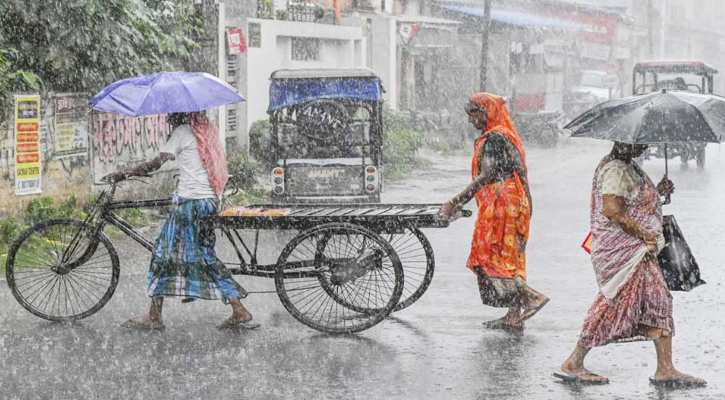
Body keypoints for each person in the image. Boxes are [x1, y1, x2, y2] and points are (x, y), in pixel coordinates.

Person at [555, 142, 705, 387]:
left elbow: (632, 203)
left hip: (640, 252)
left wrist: (656, 193)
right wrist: (645, 233)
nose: (644, 147)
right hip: (626, 251)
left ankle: (665, 368)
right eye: (639, 143)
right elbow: (614, 211)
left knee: (658, 300)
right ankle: (574, 361)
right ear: (622, 140)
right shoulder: (615, 168)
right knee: (616, 302)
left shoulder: (627, 166)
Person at [103, 112, 259, 331]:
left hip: (190, 204)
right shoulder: (206, 132)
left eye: (170, 117)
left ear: (179, 117)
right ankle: (233, 308)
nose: (168, 121)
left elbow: (156, 163)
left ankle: (156, 316)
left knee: (165, 253)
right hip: (207, 202)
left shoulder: (183, 132)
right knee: (200, 255)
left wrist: (124, 173)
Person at [438, 93, 549, 330]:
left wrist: (454, 201)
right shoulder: (503, 135)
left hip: (502, 202)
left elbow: (486, 175)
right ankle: (513, 314)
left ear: (486, 112)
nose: (470, 120)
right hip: (512, 199)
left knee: (489, 255)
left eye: (473, 114)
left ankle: (532, 297)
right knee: (508, 255)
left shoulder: (495, 139)